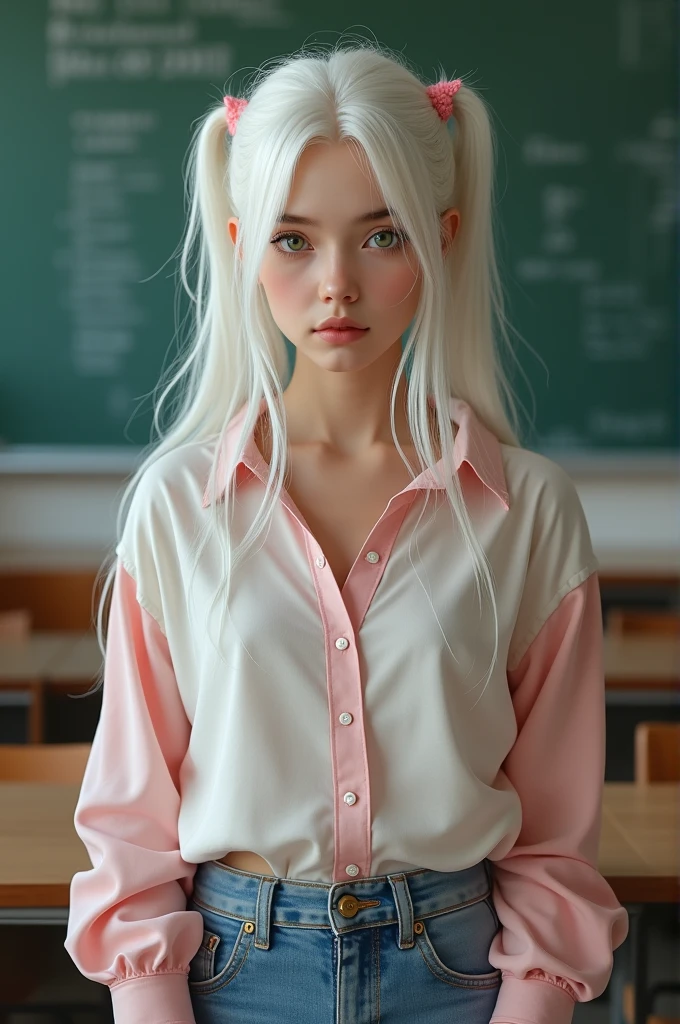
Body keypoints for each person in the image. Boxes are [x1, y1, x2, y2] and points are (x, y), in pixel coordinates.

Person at [63, 38, 629, 1024]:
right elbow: (133, 824)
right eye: (291, 240)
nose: (335, 284)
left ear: (441, 236)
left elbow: (551, 837)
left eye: (379, 236)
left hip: (462, 973)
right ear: (242, 244)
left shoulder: (526, 511)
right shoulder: (176, 504)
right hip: (229, 974)